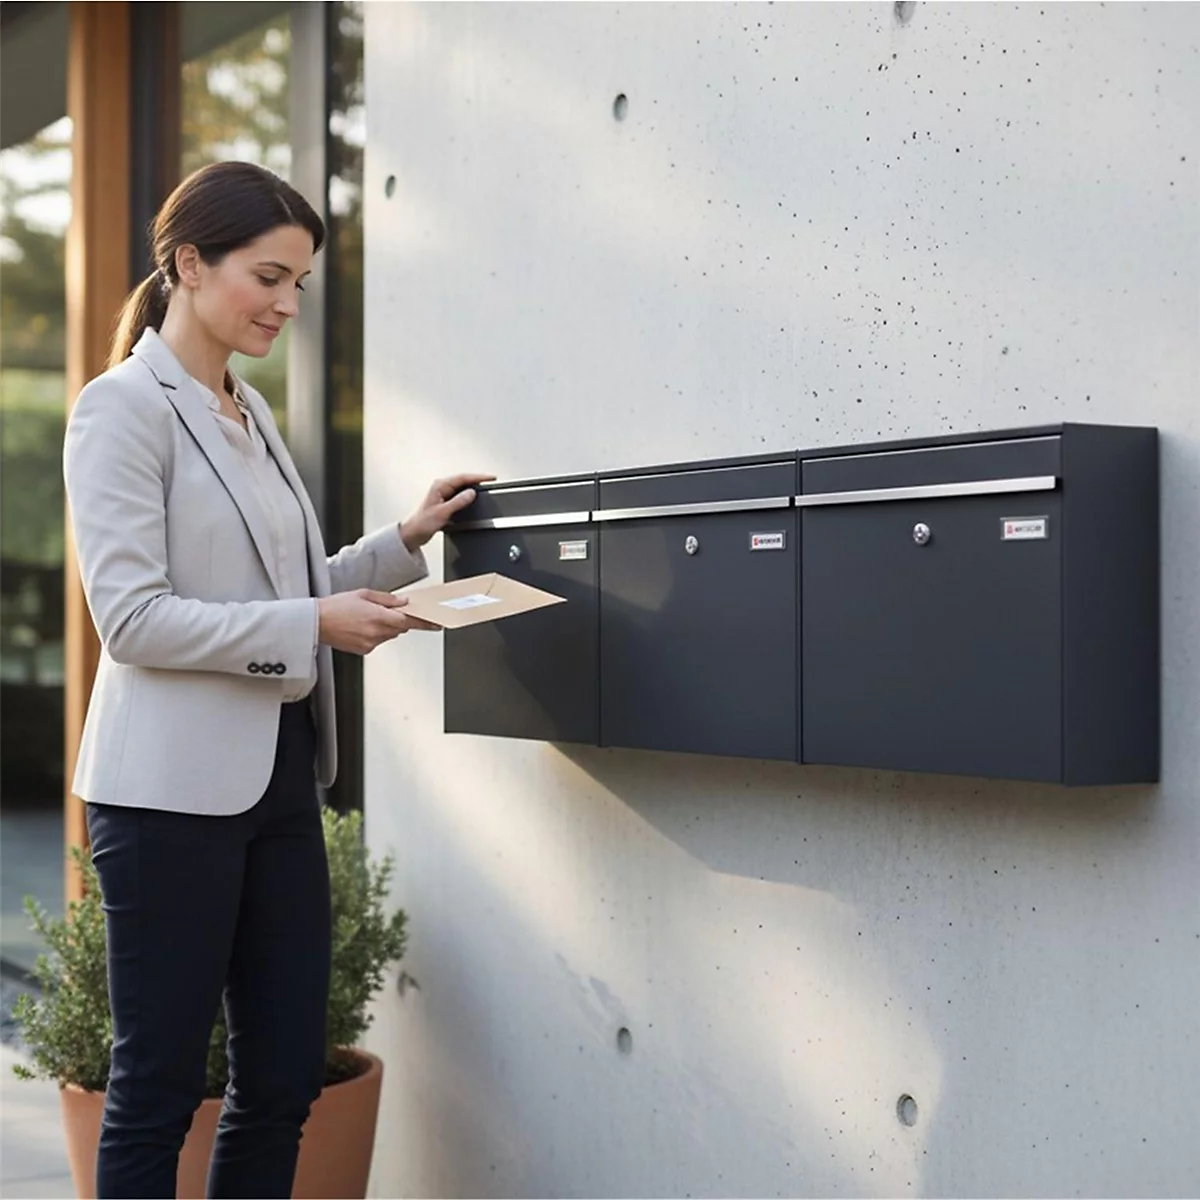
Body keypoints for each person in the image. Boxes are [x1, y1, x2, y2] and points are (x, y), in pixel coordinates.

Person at [62, 160, 491, 1199]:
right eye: (269, 276)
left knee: (286, 1075)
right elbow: (131, 618)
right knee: (158, 1087)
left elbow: (293, 587)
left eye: (300, 282)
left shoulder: (246, 415)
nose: (288, 305)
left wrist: (403, 540)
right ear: (188, 264)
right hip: (166, 801)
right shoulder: (122, 410)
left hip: (283, 784)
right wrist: (311, 621)